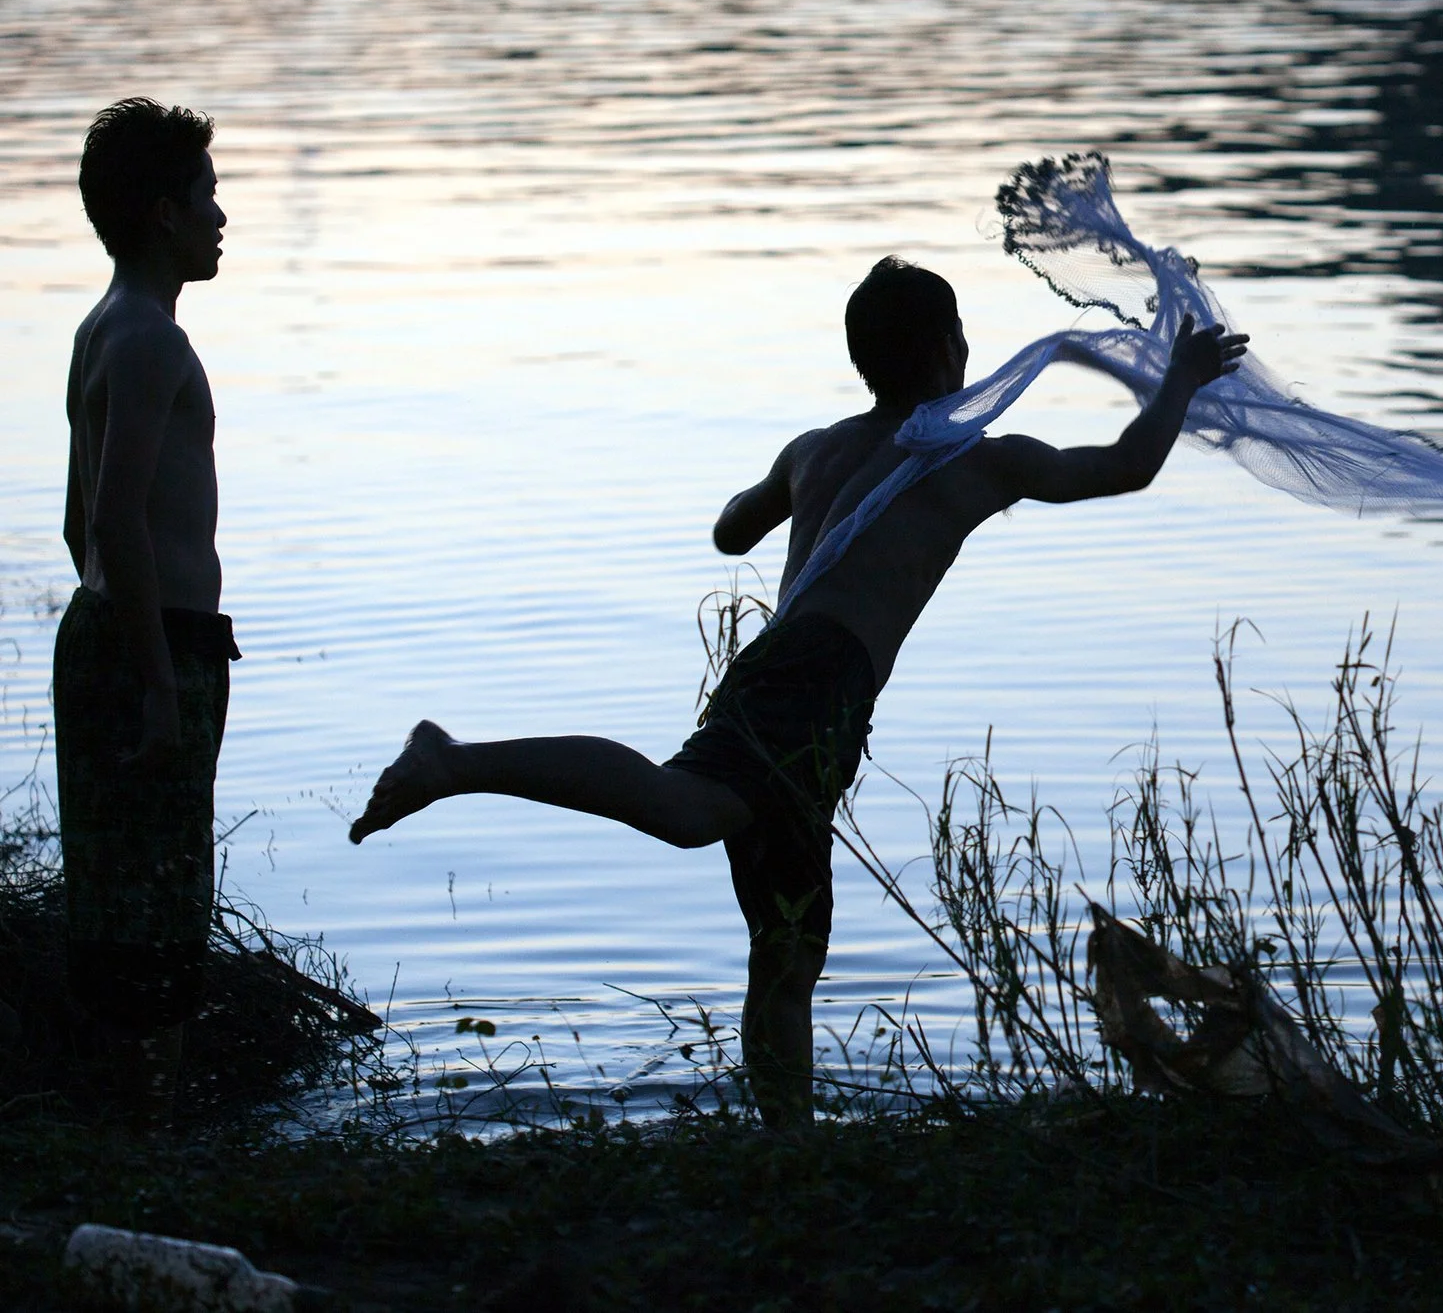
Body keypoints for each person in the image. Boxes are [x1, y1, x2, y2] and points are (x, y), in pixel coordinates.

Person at [347, 256, 1248, 1126]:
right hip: (817, 681)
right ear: (944, 353)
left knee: (786, 947)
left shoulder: (815, 450)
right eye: (962, 337)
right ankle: (455, 761)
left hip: (787, 669)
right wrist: (1183, 380)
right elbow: (1127, 466)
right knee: (687, 809)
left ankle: (786, 1138)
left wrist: (787, 497)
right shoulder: (977, 463)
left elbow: (729, 532)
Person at [56, 97, 238, 1116]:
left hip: (112, 632)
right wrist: (159, 682)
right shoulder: (152, 343)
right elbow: (118, 520)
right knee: (162, 890)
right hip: (155, 641)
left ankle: (131, 1110)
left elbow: (74, 521)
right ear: (165, 213)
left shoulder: (102, 328)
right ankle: (151, 1118)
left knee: (116, 880)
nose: (222, 218)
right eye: (208, 199)